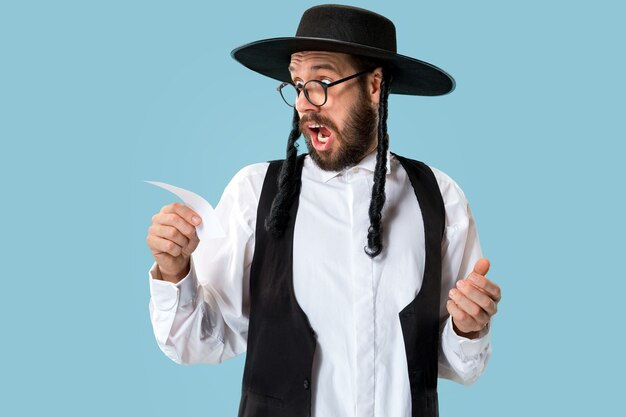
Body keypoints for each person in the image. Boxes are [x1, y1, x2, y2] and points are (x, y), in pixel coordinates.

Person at [145, 4, 501, 417]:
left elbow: (455, 365)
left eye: (323, 82)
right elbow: (198, 341)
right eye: (298, 85)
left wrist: (467, 327)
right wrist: (174, 271)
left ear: (374, 86)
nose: (304, 104)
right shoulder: (254, 193)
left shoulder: (440, 198)